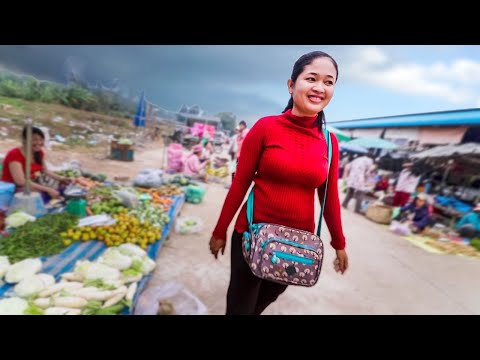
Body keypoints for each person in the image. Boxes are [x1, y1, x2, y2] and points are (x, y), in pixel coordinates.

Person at [209, 51, 348, 315]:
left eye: (329, 82)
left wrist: (339, 244)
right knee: (239, 309)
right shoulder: (265, 127)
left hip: (297, 248)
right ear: (291, 84)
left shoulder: (330, 143)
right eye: (311, 78)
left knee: (259, 305)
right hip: (251, 236)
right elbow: (240, 184)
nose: (320, 88)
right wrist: (219, 231)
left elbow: (329, 198)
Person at [1, 125, 71, 203]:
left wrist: (61, 178)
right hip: (14, 187)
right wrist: (48, 189)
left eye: (41, 139)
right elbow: (20, 181)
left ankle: (53, 197)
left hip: (32, 181)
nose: (39, 143)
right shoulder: (15, 154)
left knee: (64, 185)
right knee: (37, 194)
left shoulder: (38, 152)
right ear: (25, 140)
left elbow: (45, 171)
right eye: (34, 140)